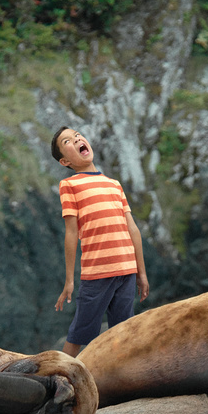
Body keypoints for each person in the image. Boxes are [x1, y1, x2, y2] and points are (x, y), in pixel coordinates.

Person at [51, 126, 149, 357]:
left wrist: (141, 273)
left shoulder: (114, 184)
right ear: (65, 162)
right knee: (79, 334)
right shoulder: (70, 186)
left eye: (77, 136)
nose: (76, 140)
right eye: (67, 141)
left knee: (123, 334)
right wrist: (69, 281)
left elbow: (132, 229)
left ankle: (121, 384)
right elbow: (71, 234)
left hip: (126, 271)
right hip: (97, 273)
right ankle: (58, 379)